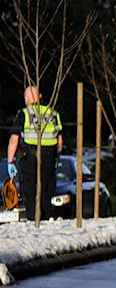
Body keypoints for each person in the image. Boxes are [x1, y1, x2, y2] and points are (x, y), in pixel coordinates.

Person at [7, 86, 63, 221]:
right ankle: (47, 218)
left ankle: (33, 220)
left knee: (30, 191)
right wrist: (56, 156)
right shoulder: (53, 113)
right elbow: (59, 141)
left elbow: (14, 140)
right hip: (49, 158)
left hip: (30, 158)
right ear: (40, 97)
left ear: (27, 99)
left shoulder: (24, 113)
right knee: (46, 191)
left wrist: (10, 161)